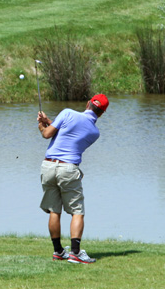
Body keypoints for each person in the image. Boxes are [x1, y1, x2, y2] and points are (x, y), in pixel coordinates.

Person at [36, 93, 109, 264]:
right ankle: (75, 252)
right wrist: (49, 122)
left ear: (88, 103)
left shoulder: (67, 113)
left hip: (48, 166)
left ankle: (58, 251)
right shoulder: (94, 133)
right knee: (77, 211)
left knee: (54, 210)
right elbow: (71, 133)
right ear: (101, 113)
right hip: (68, 169)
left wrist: (42, 125)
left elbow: (47, 134)